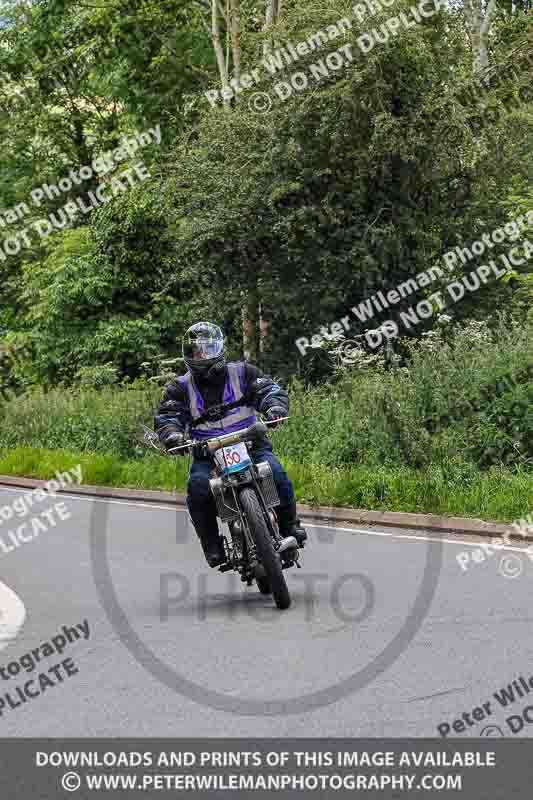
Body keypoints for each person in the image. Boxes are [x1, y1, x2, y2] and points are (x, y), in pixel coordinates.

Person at [155, 322, 307, 567]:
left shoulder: (243, 373)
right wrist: (173, 436)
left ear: (219, 347)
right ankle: (213, 546)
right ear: (188, 355)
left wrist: (274, 407)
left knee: (276, 473)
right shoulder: (179, 388)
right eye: (196, 351)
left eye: (208, 348)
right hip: (208, 452)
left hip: (251, 443)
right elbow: (168, 417)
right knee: (198, 490)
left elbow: (269, 390)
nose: (202, 354)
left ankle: (291, 527)